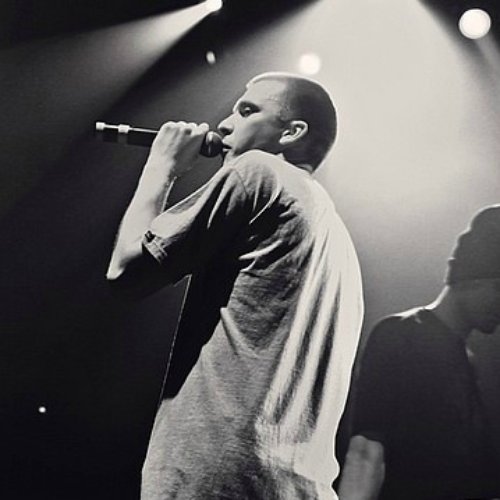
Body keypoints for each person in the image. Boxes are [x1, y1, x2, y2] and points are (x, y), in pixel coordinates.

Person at [106, 72, 364, 499]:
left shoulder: (258, 170)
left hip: (219, 478)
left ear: (292, 132)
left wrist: (160, 168)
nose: (224, 125)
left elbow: (126, 273)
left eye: (247, 111)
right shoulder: (339, 243)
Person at [338, 205, 500, 500]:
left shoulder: (467, 361)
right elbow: (366, 450)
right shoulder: (400, 335)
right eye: (498, 289)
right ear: (470, 279)